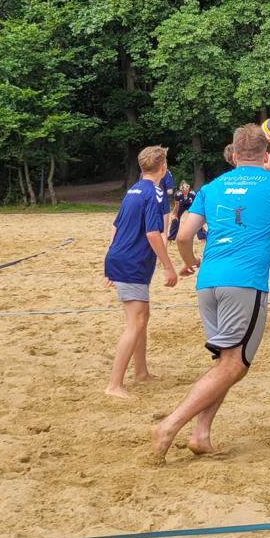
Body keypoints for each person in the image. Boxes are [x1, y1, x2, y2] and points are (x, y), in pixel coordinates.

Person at [153, 124, 270, 460]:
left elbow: (185, 236)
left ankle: (201, 433)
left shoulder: (213, 186)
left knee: (225, 361)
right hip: (245, 283)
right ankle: (169, 425)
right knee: (235, 365)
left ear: (233, 154)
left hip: (208, 282)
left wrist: (189, 263)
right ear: (265, 154)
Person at [104, 145, 178, 398]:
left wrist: (110, 263)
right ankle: (114, 385)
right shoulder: (154, 194)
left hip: (121, 258)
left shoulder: (132, 190)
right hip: (132, 262)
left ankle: (141, 372)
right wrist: (168, 267)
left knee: (140, 318)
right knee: (136, 322)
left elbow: (115, 227)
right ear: (163, 168)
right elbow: (153, 233)